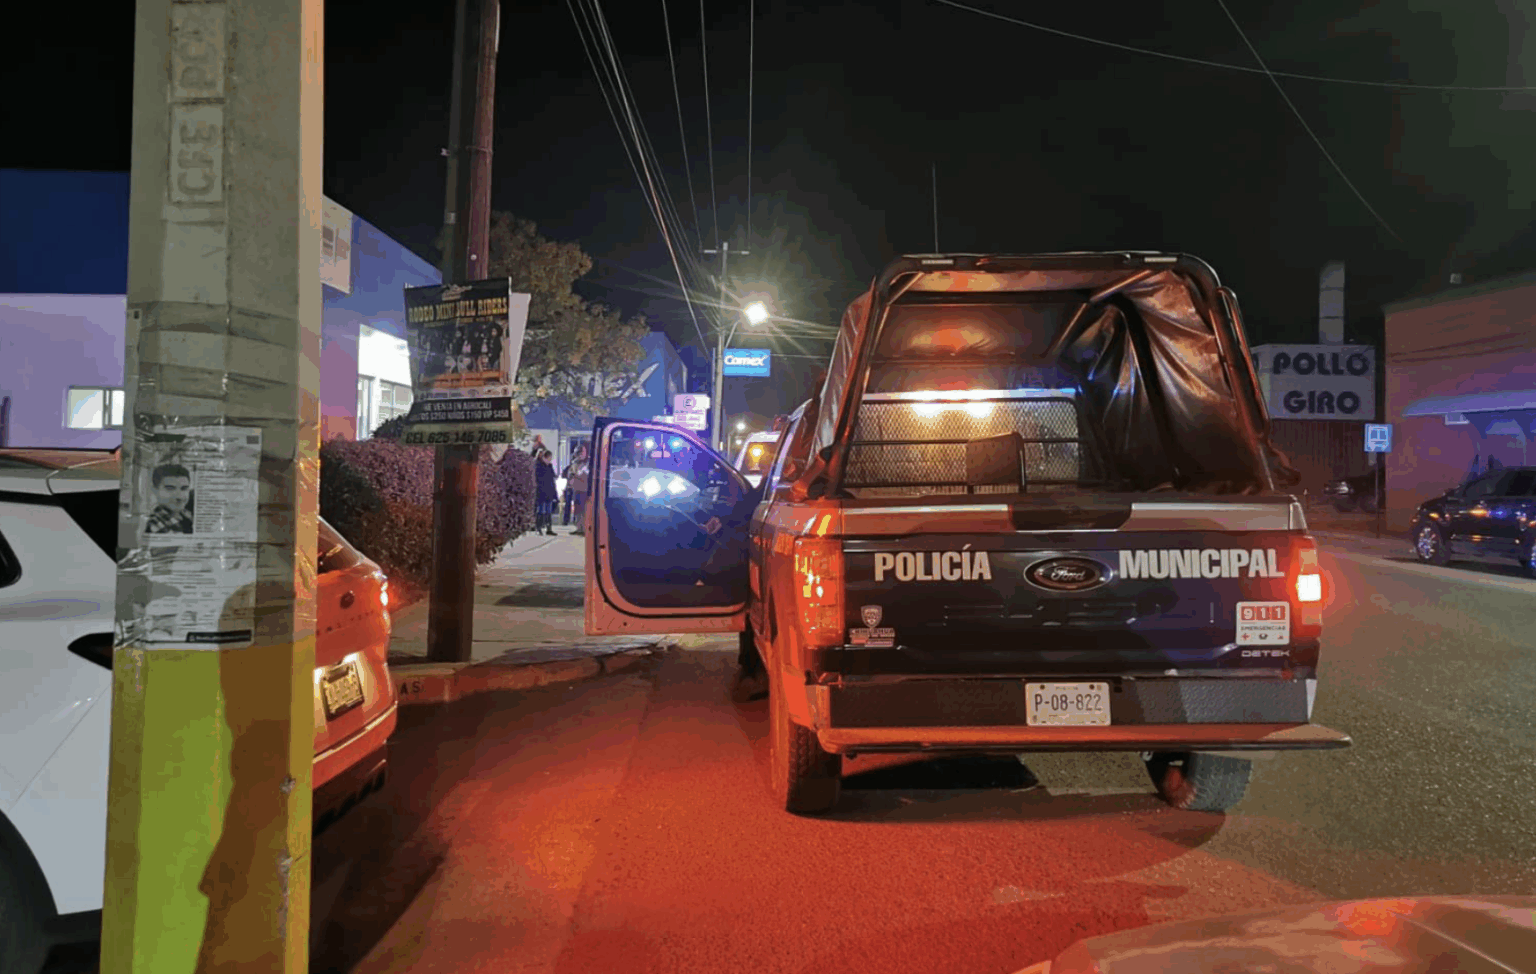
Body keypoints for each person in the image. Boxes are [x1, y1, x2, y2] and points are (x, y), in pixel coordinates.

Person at [145, 462, 195, 535]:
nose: (179, 497)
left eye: (184, 489)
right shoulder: (155, 524)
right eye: (170, 489)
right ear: (155, 490)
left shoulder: (186, 516)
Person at [534, 449, 559, 536]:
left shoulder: (549, 466)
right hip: (541, 492)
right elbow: (538, 480)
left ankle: (549, 529)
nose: (550, 460)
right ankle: (538, 527)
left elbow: (552, 480)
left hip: (549, 492)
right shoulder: (538, 466)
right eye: (549, 458)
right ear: (545, 457)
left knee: (548, 511)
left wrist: (554, 493)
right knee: (541, 510)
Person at [568, 445, 591, 535]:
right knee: (577, 510)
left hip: (584, 489)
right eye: (576, 454)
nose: (578, 456)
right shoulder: (574, 462)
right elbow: (570, 472)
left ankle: (584, 529)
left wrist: (577, 475)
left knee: (584, 510)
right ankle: (579, 528)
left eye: (579, 454)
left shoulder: (588, 463)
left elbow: (586, 475)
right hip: (576, 489)